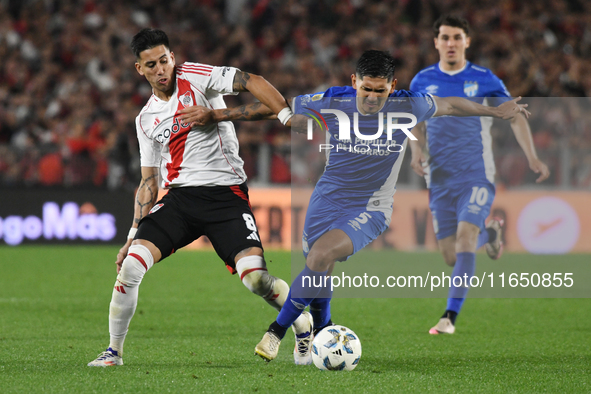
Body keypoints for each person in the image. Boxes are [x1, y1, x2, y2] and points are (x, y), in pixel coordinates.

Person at [181, 50, 532, 362]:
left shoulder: (410, 104)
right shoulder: (332, 100)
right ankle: (322, 333)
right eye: (367, 88)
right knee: (319, 267)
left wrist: (494, 111)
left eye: (381, 90)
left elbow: (453, 105)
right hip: (327, 197)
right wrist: (218, 115)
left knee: (319, 257)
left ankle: (275, 333)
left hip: (372, 207)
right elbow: (277, 110)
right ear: (355, 82)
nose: (373, 97)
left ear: (392, 86)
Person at [87, 28, 312, 367]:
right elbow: (149, 181)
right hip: (179, 201)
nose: (161, 69)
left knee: (255, 279)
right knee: (131, 266)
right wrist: (132, 236)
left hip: (226, 197)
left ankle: (301, 321)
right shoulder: (146, 119)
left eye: (165, 60)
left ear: (173, 58)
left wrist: (272, 116)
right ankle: (114, 352)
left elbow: (253, 81)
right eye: (152, 64)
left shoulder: (196, 76)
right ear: (140, 69)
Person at [408, 15, 550, 335]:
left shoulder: (484, 78)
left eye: (457, 37)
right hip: (439, 178)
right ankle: (492, 235)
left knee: (464, 239)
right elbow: (414, 122)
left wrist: (532, 157)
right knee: (450, 255)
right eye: (444, 37)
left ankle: (449, 317)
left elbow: (513, 115)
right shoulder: (422, 80)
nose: (450, 44)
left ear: (467, 42)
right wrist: (416, 151)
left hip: (476, 174)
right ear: (436, 42)